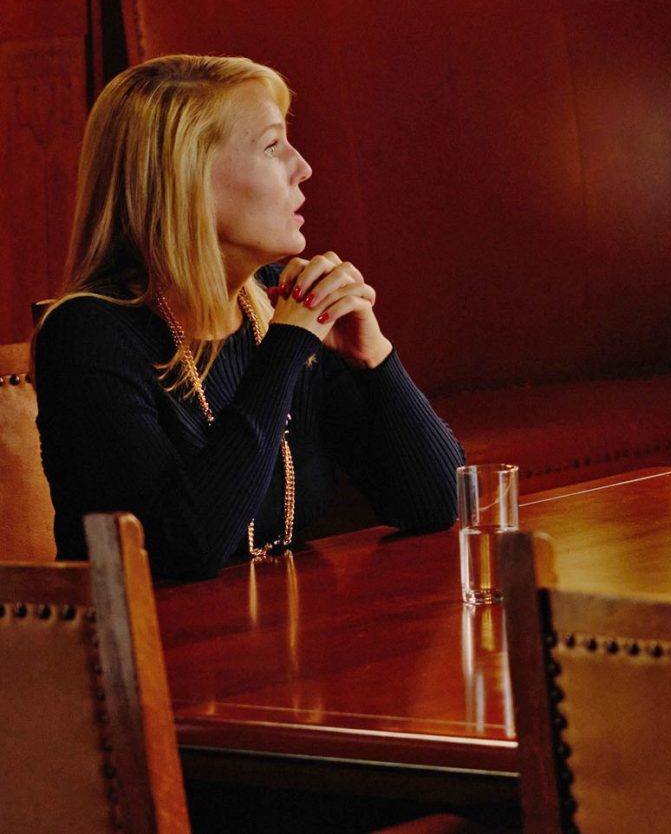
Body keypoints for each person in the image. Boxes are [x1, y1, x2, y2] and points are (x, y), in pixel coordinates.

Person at [33, 55, 464, 581]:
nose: (303, 167)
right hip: (147, 634)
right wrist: (285, 350)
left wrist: (374, 360)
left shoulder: (279, 308)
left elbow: (439, 502)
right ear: (189, 179)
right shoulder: (87, 335)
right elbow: (183, 549)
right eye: (272, 146)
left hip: (279, 628)